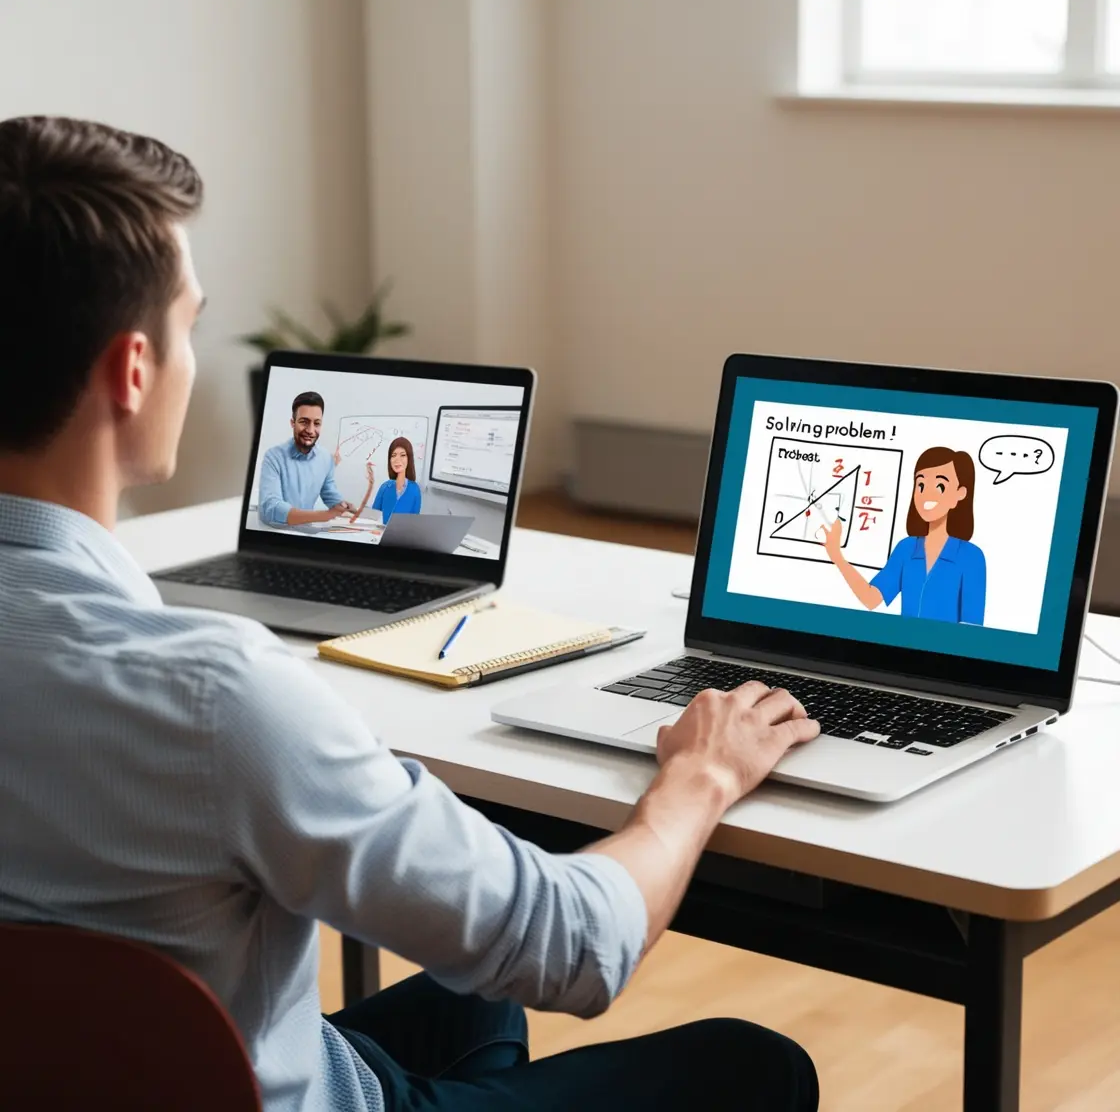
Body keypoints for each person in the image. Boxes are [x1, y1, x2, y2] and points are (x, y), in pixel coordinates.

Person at [0, 115, 820, 1112]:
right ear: (134, 372)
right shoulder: (215, 697)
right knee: (750, 1062)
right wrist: (697, 779)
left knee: (472, 1006)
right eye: (191, 324)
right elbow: (575, 947)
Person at [823, 446, 986, 625]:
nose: (926, 495)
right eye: (921, 485)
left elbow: (971, 629)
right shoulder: (906, 549)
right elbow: (871, 598)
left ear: (960, 494)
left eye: (940, 486)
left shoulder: (972, 557)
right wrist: (837, 556)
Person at [257, 391, 356, 525]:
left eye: (317, 423)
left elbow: (329, 492)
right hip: (272, 532)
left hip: (305, 530)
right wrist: (324, 516)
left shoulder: (326, 458)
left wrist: (341, 504)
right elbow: (271, 508)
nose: (310, 430)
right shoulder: (273, 457)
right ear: (293, 423)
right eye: (304, 422)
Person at [351, 436, 422, 524]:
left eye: (403, 455)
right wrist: (352, 512)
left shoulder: (415, 490)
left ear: (409, 458)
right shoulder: (385, 487)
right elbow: (373, 516)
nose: (397, 459)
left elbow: (414, 522)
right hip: (380, 534)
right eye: (393, 455)